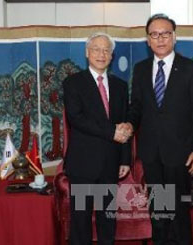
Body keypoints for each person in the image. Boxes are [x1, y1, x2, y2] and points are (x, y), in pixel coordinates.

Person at [124, 14, 193, 244]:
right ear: (148, 40)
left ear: (174, 37)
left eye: (165, 33)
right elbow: (137, 107)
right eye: (154, 34)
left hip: (180, 153)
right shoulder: (141, 69)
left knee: (179, 211)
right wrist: (129, 123)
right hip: (152, 153)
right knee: (159, 210)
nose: (160, 39)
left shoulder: (191, 69)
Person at [63, 32, 131, 245]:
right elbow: (76, 118)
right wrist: (111, 132)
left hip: (110, 164)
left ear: (111, 55)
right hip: (83, 164)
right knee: (81, 220)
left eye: (106, 50)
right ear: (87, 53)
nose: (101, 54)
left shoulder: (120, 85)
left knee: (107, 219)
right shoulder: (73, 83)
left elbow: (125, 124)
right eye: (96, 49)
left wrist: (125, 159)